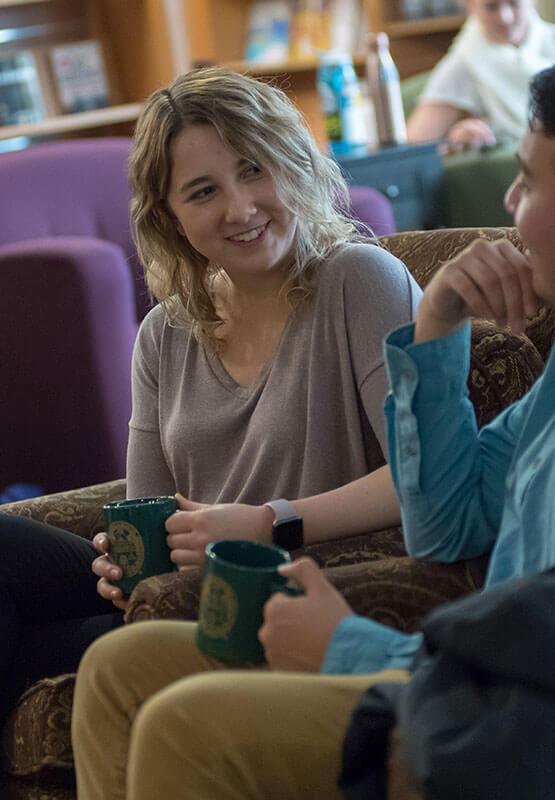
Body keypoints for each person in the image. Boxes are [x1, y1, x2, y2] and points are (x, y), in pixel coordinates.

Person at [72, 51, 555, 800]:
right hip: (487, 683)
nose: (508, 202)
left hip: (550, 737)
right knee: (117, 670)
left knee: (185, 724)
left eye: (525, 181)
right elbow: (445, 523)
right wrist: (437, 325)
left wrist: (349, 647)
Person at [0, 67, 420, 725]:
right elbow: (146, 509)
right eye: (203, 191)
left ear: (294, 163)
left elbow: (422, 480)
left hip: (277, 587)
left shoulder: (360, 281)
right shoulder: (166, 332)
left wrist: (268, 520)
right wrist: (120, 560)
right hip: (180, 588)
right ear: (169, 216)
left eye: (255, 169)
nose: (240, 207)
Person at [407, 0, 555, 154]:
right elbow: (411, 150)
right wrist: (452, 144)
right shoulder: (464, 63)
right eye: (491, 6)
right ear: (471, 6)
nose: (505, 17)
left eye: (513, 4)